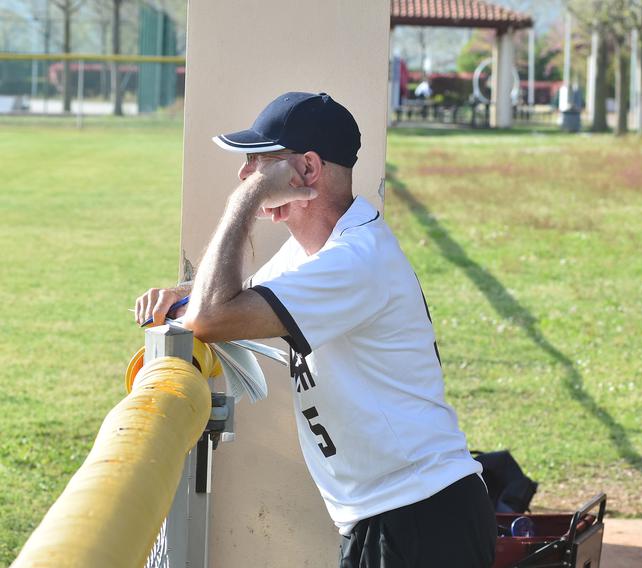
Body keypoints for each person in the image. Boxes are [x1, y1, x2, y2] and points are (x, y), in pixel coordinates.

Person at [134, 92, 496, 567]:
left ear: (306, 170)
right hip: (390, 514)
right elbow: (224, 300)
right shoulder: (317, 252)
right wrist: (179, 293)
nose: (246, 176)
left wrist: (244, 199)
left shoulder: (354, 260)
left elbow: (211, 316)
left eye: (258, 162)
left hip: (420, 516)